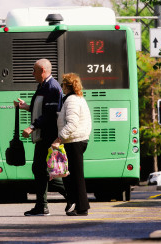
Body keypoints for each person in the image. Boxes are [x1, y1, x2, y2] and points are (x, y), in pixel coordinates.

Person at [14, 58, 67, 216]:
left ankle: (70, 197)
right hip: (42, 135)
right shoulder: (43, 86)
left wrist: (32, 127)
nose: (32, 73)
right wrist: (26, 107)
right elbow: (41, 110)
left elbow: (50, 114)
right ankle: (42, 206)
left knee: (43, 170)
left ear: (43, 71)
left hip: (49, 135)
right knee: (41, 169)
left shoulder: (52, 87)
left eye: (34, 70)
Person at [51, 73, 91, 216]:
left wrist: (59, 138)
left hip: (75, 141)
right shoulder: (75, 99)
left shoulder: (72, 100)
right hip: (75, 140)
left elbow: (72, 123)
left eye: (63, 84)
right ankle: (77, 204)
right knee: (72, 176)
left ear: (67, 86)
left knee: (77, 176)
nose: (61, 87)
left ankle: (82, 208)